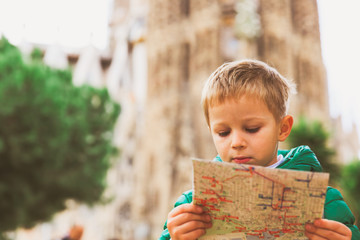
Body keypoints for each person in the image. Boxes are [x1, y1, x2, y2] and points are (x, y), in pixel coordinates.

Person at [159, 59, 360, 240]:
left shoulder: (326, 203)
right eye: (223, 132)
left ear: (283, 128)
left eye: (252, 129)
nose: (236, 142)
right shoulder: (192, 205)